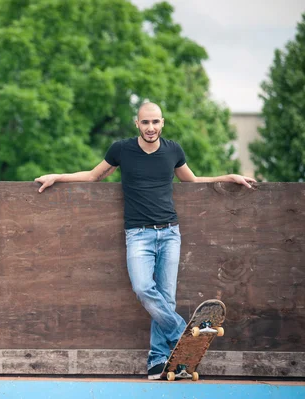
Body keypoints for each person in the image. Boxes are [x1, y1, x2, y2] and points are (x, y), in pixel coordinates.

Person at [35, 102, 255, 380]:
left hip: (170, 233)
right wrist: (57, 177)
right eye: (145, 122)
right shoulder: (121, 150)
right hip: (138, 234)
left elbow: (193, 180)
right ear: (136, 124)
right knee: (142, 288)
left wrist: (229, 177)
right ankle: (181, 334)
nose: (150, 128)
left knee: (165, 299)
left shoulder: (173, 150)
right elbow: (93, 176)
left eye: (155, 122)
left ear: (163, 123)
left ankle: (157, 360)